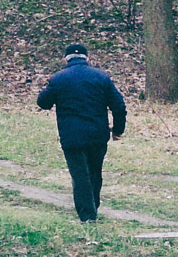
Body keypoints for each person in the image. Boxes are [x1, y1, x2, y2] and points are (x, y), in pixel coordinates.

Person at [35, 42, 127, 222]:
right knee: (95, 172)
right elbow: (119, 106)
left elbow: (43, 103)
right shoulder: (101, 77)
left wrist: (50, 88)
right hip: (98, 135)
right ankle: (93, 208)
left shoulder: (58, 78)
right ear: (87, 58)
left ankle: (87, 216)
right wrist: (117, 130)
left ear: (65, 59)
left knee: (80, 175)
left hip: (71, 136)